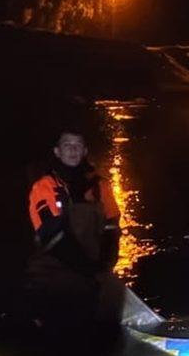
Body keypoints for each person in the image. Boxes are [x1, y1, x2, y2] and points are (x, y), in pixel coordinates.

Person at [26, 130, 122, 333]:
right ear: (57, 151)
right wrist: (89, 270)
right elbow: (52, 237)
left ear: (85, 151)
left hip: (93, 277)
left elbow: (112, 228)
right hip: (53, 277)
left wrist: (105, 266)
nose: (72, 150)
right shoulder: (44, 187)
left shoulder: (101, 186)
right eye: (67, 145)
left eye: (77, 145)